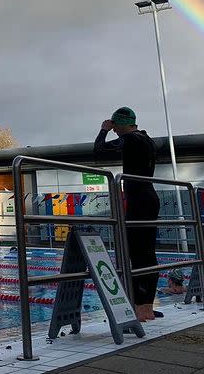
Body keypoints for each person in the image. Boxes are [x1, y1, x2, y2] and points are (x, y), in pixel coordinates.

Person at [94, 106, 159, 322]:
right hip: (149, 196)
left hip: (139, 200)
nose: (114, 131)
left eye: (115, 126)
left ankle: (141, 309)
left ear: (120, 123)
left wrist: (103, 130)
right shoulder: (147, 139)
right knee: (147, 253)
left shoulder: (131, 139)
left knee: (137, 253)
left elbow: (99, 150)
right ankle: (146, 307)